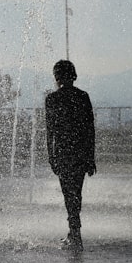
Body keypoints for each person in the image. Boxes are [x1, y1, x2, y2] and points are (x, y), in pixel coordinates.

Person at [45, 60, 96, 251]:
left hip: (63, 153)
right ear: (73, 75)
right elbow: (90, 130)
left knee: (68, 193)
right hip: (80, 152)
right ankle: (74, 230)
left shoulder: (52, 99)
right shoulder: (83, 97)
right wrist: (91, 157)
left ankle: (75, 232)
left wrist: (51, 156)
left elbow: (50, 131)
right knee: (76, 192)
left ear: (56, 77)